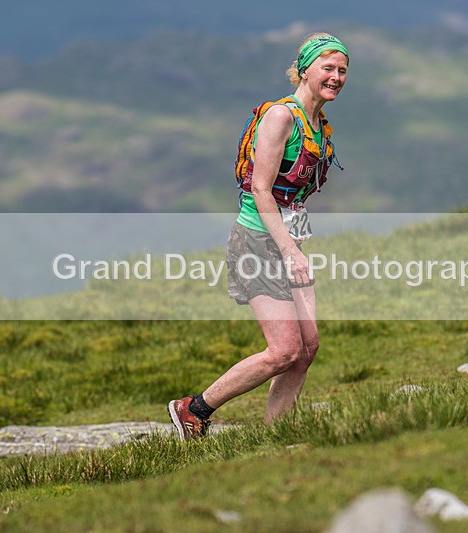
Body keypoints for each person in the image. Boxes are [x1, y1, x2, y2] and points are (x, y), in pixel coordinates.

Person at [168, 33, 348, 440]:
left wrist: (294, 245)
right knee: (284, 350)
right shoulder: (281, 117)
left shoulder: (319, 125)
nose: (335, 77)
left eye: (341, 70)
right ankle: (193, 410)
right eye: (327, 68)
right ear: (304, 71)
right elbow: (260, 189)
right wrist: (289, 251)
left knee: (306, 350)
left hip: (288, 242)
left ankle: (275, 436)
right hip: (257, 242)